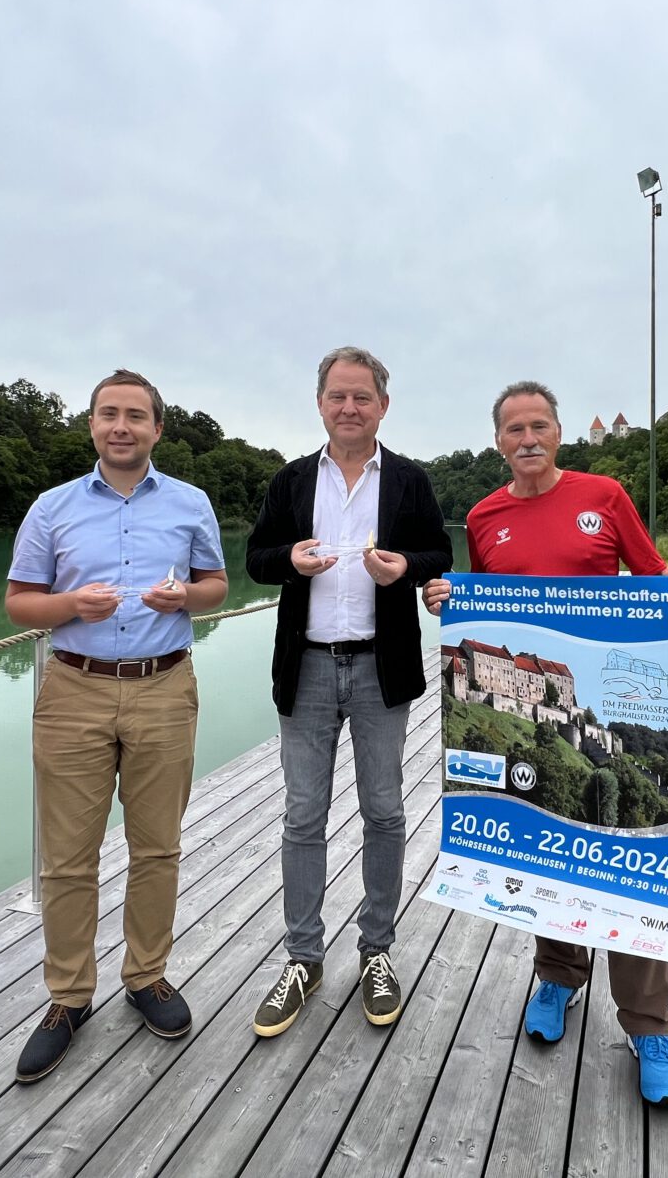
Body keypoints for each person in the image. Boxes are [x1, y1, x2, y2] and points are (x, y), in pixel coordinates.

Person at [422, 380, 668, 1108]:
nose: (527, 437)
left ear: (558, 434)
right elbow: (489, 607)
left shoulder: (605, 494)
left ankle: (650, 1026)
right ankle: (557, 978)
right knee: (541, 849)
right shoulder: (484, 514)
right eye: (514, 428)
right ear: (499, 441)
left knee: (631, 860)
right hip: (544, 684)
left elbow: (652, 576)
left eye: (539, 425)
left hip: (609, 684)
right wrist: (445, 601)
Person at [6, 369, 227, 1083]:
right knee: (67, 856)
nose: (122, 426)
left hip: (164, 686)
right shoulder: (52, 506)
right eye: (109, 414)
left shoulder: (191, 502)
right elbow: (18, 604)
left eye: (136, 415)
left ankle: (146, 976)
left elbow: (216, 587)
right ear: (93, 425)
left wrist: (185, 596)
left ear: (158, 428)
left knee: (157, 846)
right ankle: (68, 996)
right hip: (73, 687)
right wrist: (71, 605)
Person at [245, 347, 451, 1036]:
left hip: (378, 666)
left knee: (385, 811)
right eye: (338, 396)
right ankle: (303, 958)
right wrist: (291, 561)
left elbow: (437, 555)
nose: (350, 408)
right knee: (303, 816)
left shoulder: (410, 481)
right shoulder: (293, 480)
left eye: (362, 397)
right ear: (320, 403)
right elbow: (257, 559)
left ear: (383, 406)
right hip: (305, 666)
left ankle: (376, 950)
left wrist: (406, 568)